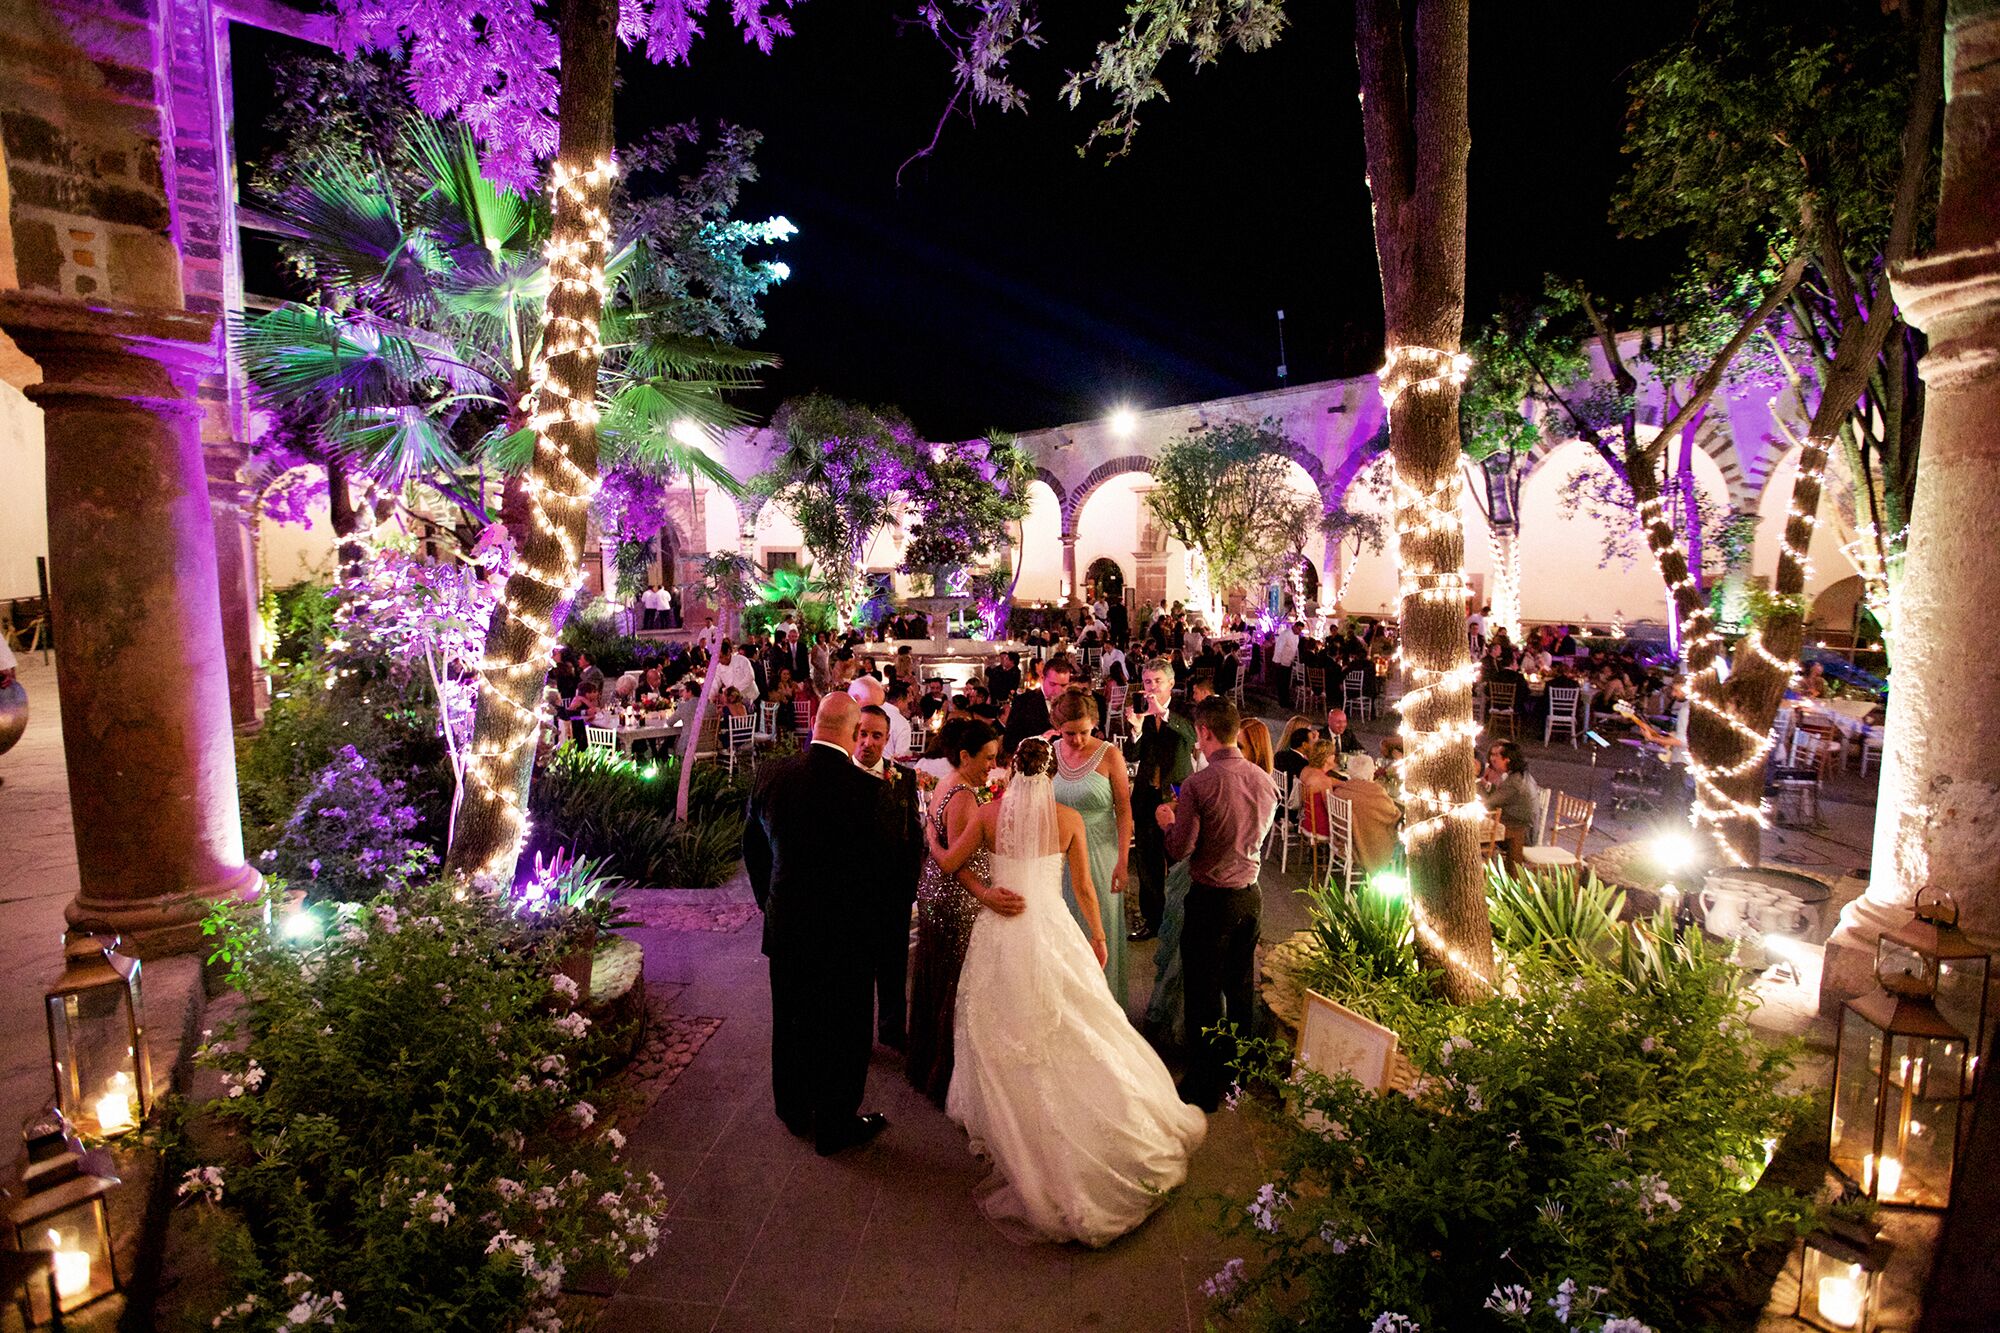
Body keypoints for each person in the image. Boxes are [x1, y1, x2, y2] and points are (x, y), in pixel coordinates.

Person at [933, 738, 1207, 1246]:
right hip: (1052, 929)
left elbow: (950, 865)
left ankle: (1011, 1128)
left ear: (1011, 770)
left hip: (1001, 929)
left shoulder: (990, 814)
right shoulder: (1069, 820)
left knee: (1000, 1026)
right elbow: (1084, 888)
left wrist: (969, 875)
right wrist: (1100, 937)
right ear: (1052, 773)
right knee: (1075, 1022)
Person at [741, 694, 890, 1155]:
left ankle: (792, 1108)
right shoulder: (867, 790)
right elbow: (876, 873)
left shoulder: (772, 775)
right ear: (850, 732)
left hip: (786, 923)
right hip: (845, 933)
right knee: (844, 1029)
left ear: (815, 725)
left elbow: (753, 849)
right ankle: (834, 1123)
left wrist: (771, 900)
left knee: (790, 1019)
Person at [1156, 697, 1278, 1111]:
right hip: (1250, 896)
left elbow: (1181, 849)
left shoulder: (1199, 784)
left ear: (1204, 732)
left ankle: (1205, 1084)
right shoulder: (1264, 780)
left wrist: (1168, 823)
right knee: (1240, 989)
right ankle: (1237, 1076)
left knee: (1204, 996)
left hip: (1211, 900)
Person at [906, 717, 1013, 1106]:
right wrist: (985, 894)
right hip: (956, 899)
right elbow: (957, 864)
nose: (992, 765)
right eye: (987, 758)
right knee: (958, 981)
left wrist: (931, 837)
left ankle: (925, 1061)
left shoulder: (947, 785)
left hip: (933, 892)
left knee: (936, 977)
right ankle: (946, 1071)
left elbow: (940, 843)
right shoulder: (966, 796)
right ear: (964, 756)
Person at [1048, 689, 1134, 1005]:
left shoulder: (1110, 755)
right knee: (1064, 927)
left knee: (1100, 928)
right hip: (1058, 858)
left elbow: (1124, 810)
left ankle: (1104, 1006)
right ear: (1058, 726)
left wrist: (1123, 859)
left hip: (1101, 852)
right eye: (1070, 733)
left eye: (1085, 732)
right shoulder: (1051, 754)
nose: (1078, 740)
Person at [854, 704, 925, 1050]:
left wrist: (908, 888)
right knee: (856, 972)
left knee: (894, 966)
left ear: (885, 740)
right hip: (853, 894)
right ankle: (857, 1036)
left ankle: (893, 1028)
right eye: (862, 733)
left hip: (892, 893)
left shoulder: (902, 777)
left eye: (876, 736)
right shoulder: (839, 775)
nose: (867, 742)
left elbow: (914, 836)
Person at [1127, 657, 1196, 942]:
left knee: (1180, 860)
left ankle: (1183, 920)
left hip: (1177, 796)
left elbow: (1191, 738)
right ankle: (1152, 921)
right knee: (1147, 862)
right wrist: (1137, 728)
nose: (1151, 688)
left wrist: (1164, 715)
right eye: (1146, 682)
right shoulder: (1142, 711)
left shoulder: (1184, 709)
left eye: (1157, 681)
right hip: (1146, 795)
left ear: (1170, 684)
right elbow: (1133, 756)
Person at [1330, 754, 1401, 874]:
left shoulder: (1341, 791)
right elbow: (1393, 815)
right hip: (1363, 844)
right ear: (1370, 772)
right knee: (1401, 837)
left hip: (1343, 841)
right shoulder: (1375, 792)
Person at [1478, 740, 1541, 868]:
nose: (1492, 759)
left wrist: (1477, 784)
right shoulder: (1520, 775)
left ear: (1507, 760)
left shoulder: (1515, 781)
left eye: (1497, 757)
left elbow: (1490, 802)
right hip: (1518, 824)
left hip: (1524, 833)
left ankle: (1507, 874)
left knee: (1478, 833)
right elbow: (1499, 796)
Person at [1001, 653, 1074, 757]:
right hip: (1034, 766)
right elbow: (1009, 743)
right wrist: (1039, 741)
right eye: (1053, 684)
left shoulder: (1072, 703)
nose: (1058, 691)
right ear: (1042, 678)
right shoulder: (1023, 702)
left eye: (1063, 685)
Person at [710, 638, 759, 705]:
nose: (719, 660)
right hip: (734, 701)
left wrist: (733, 691)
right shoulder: (719, 668)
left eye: (721, 657)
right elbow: (715, 684)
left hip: (751, 697)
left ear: (728, 653)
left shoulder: (742, 660)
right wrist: (710, 697)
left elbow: (750, 676)